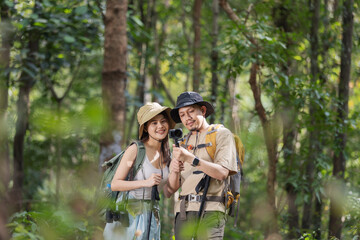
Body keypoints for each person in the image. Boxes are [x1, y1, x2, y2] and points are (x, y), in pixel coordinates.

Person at [103, 102, 181, 240]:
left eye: (163, 122)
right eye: (154, 123)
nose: (160, 126)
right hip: (128, 213)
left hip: (151, 214)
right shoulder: (135, 150)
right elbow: (115, 184)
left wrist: (175, 171)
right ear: (145, 128)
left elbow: (169, 191)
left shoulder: (167, 154)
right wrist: (145, 183)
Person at [167, 92, 238, 240]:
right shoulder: (182, 142)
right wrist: (174, 170)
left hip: (211, 211)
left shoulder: (221, 134)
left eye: (191, 111)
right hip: (184, 213)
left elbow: (222, 173)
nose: (187, 118)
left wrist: (192, 159)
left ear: (203, 110)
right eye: (182, 115)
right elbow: (172, 189)